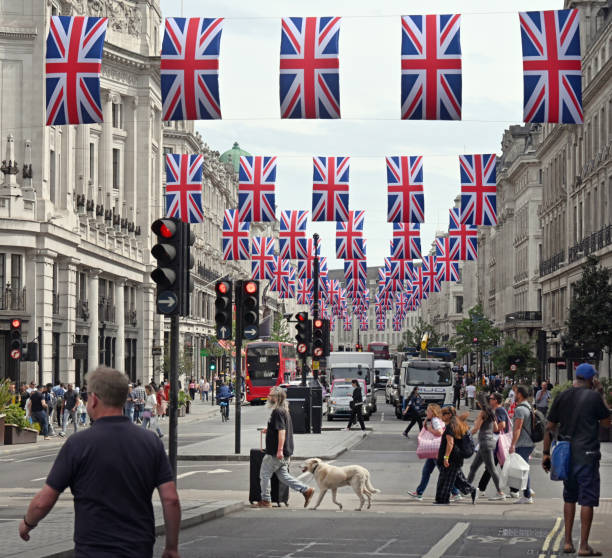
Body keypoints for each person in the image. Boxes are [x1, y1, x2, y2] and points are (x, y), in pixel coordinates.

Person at [18, 366, 180, 557]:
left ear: (94, 400)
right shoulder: (151, 442)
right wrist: (171, 547)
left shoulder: (78, 444)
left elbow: (44, 500)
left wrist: (28, 524)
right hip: (138, 546)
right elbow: (171, 500)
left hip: (93, 548)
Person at [543, 363, 610, 557]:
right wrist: (602, 394)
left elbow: (549, 426)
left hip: (565, 454)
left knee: (569, 496)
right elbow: (607, 423)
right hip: (587, 454)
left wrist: (546, 453)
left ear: (576, 377)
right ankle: (583, 546)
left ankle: (567, 542)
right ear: (592, 379)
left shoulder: (562, 396)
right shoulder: (594, 396)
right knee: (587, 499)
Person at [252, 386, 314, 508]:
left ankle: (265, 500)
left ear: (276, 397)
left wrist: (279, 450)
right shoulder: (284, 410)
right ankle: (306, 490)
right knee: (283, 476)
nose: (268, 397)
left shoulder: (278, 412)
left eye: (270, 395)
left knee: (264, 474)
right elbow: (279, 428)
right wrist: (269, 430)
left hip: (276, 452)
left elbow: (282, 431)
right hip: (286, 451)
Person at [407, 404, 461, 502]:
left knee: (443, 472)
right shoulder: (437, 420)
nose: (426, 412)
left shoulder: (435, 420)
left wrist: (429, 429)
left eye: (428, 411)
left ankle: (455, 492)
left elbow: (440, 432)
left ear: (433, 412)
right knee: (426, 471)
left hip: (436, 449)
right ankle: (419, 492)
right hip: (435, 449)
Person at [467, 393, 505, 501]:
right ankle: (466, 488)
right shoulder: (491, 412)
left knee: (492, 469)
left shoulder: (483, 413)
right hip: (490, 441)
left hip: (484, 443)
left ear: (480, 403)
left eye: (477, 402)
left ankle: (500, 492)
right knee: (473, 467)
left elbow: (476, 428)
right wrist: (488, 430)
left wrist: (466, 435)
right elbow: (496, 427)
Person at [434, 406, 476, 505]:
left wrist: (446, 458)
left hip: (453, 457)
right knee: (453, 478)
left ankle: (443, 499)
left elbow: (450, 443)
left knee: (447, 479)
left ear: (449, 415)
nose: (441, 417)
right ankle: (471, 490)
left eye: (443, 414)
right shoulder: (457, 424)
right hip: (456, 456)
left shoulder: (451, 426)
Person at [478, 392, 511, 496]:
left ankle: (482, 489)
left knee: (493, 466)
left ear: (496, 400)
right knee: (494, 466)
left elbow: (502, 425)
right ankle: (481, 488)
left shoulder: (499, 410)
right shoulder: (497, 410)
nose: (489, 400)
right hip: (498, 442)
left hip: (498, 442)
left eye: (491, 398)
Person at [509, 385, 535, 503]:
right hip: (529, 442)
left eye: (515, 393)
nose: (514, 395)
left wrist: (513, 444)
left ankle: (527, 495)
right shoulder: (528, 407)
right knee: (524, 469)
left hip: (523, 443)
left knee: (523, 470)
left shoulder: (520, 409)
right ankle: (527, 492)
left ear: (519, 394)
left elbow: (518, 428)